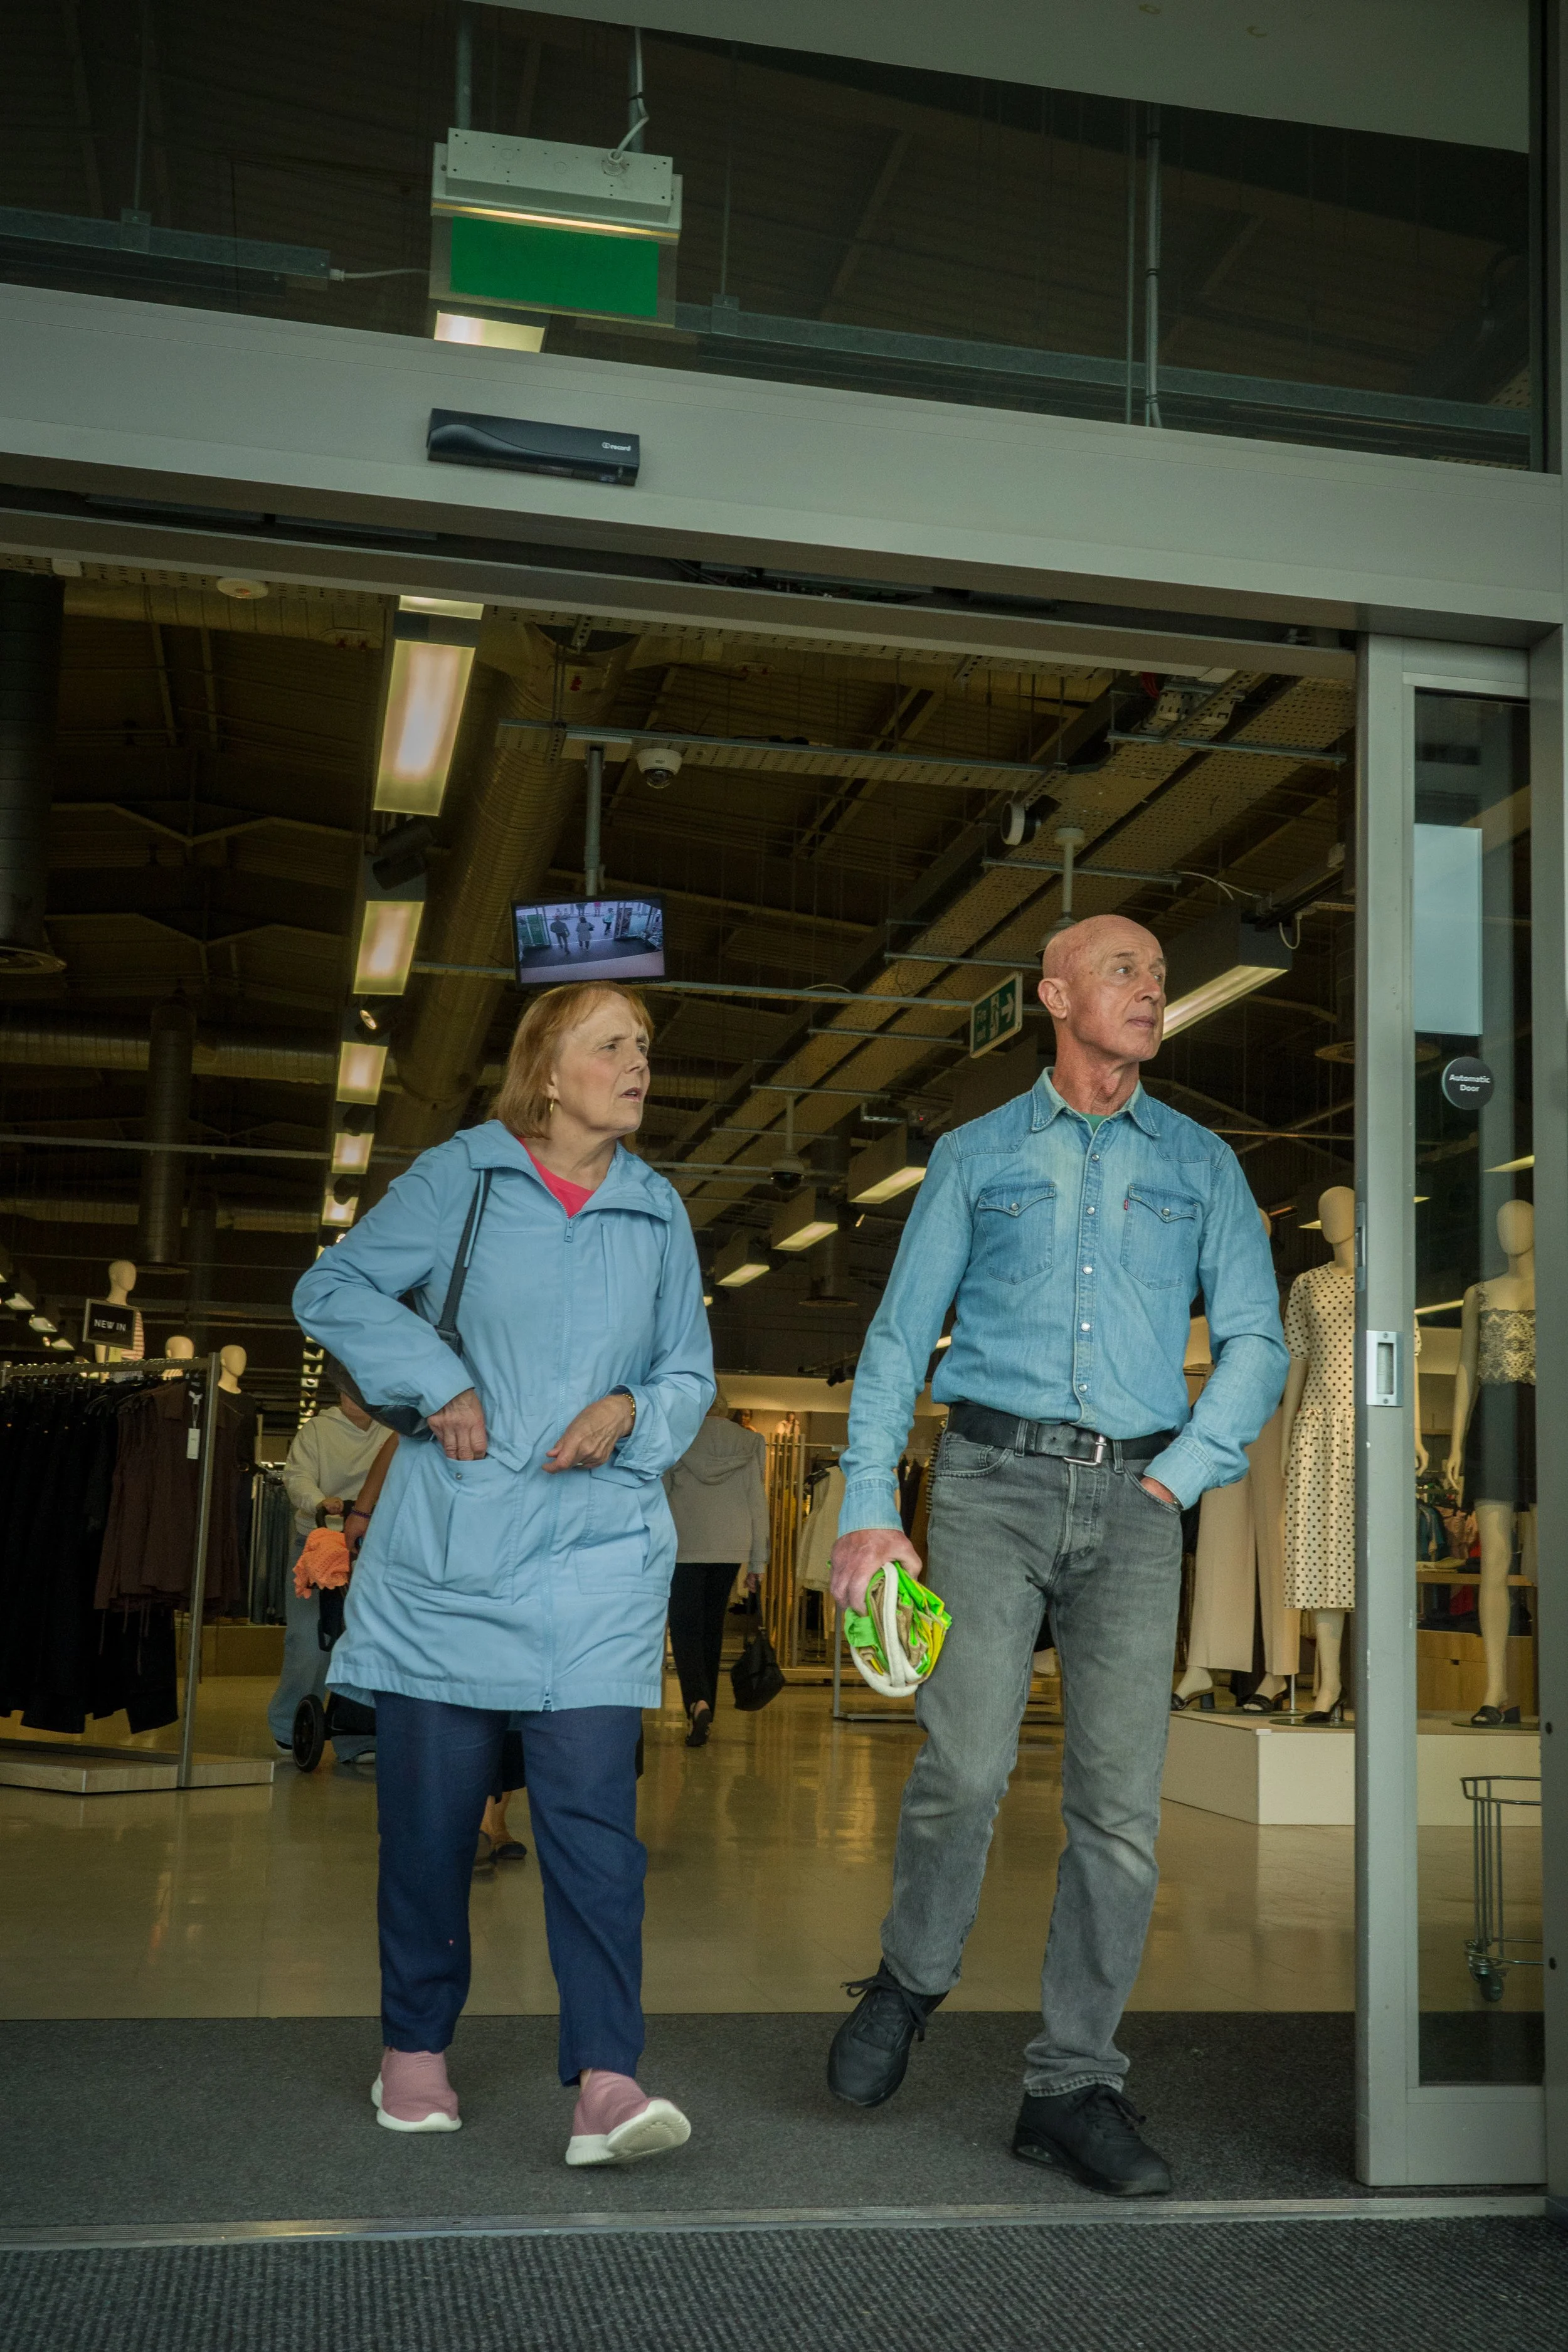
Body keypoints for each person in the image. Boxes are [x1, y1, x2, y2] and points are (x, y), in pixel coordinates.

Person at [826, 914, 1286, 2196]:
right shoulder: (975, 1156)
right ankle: (910, 1979)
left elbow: (1256, 1339)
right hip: (987, 1486)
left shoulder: (1198, 1162)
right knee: (965, 1768)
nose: (1151, 990)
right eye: (1125, 970)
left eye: (1157, 971)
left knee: (1119, 1818)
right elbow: (892, 1341)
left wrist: (1182, 1473)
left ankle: (1071, 2084)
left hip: (1137, 1502)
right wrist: (871, 1505)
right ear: (1053, 997)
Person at [293, 981, 714, 2164]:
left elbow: (690, 1370)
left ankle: (608, 2082)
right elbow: (331, 1288)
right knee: (431, 1827)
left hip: (595, 1564)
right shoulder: (462, 1176)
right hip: (453, 1561)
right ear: (546, 1070)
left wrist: (634, 1407)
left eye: (644, 1046)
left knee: (595, 1830)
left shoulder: (657, 1210)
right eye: (611, 1045)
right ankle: (414, 2051)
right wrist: (442, 1385)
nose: (638, 1064)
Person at [265, 1387, 389, 1766]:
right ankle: (288, 1724)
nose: (357, 1395)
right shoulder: (317, 1430)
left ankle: (357, 1732)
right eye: (349, 1389)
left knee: (364, 1638)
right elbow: (298, 1475)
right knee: (309, 1639)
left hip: (375, 1544)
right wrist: (320, 1501)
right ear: (340, 1392)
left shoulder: (391, 1432)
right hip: (319, 1541)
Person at [663, 1394, 770, 1746]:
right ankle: (706, 1702)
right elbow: (757, 1501)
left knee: (684, 1627)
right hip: (732, 1544)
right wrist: (758, 1561)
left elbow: (661, 1496)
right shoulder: (749, 1442)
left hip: (685, 1543)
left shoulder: (676, 1437)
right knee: (712, 1627)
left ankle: (697, 1701)